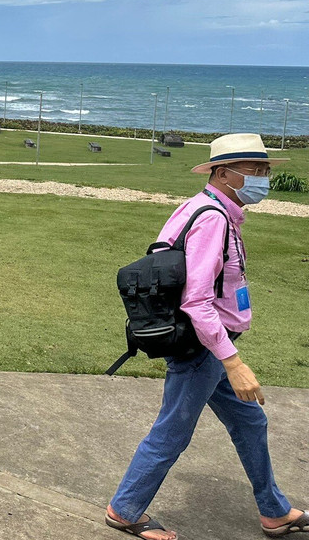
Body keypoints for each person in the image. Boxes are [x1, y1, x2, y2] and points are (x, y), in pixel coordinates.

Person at [106, 133, 305, 540]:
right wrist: (233, 362)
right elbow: (197, 301)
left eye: (265, 171)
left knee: (251, 423)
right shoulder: (213, 218)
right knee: (172, 431)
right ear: (223, 173)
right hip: (204, 349)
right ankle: (124, 511)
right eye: (255, 171)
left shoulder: (204, 208)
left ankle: (275, 511)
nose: (263, 178)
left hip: (210, 347)